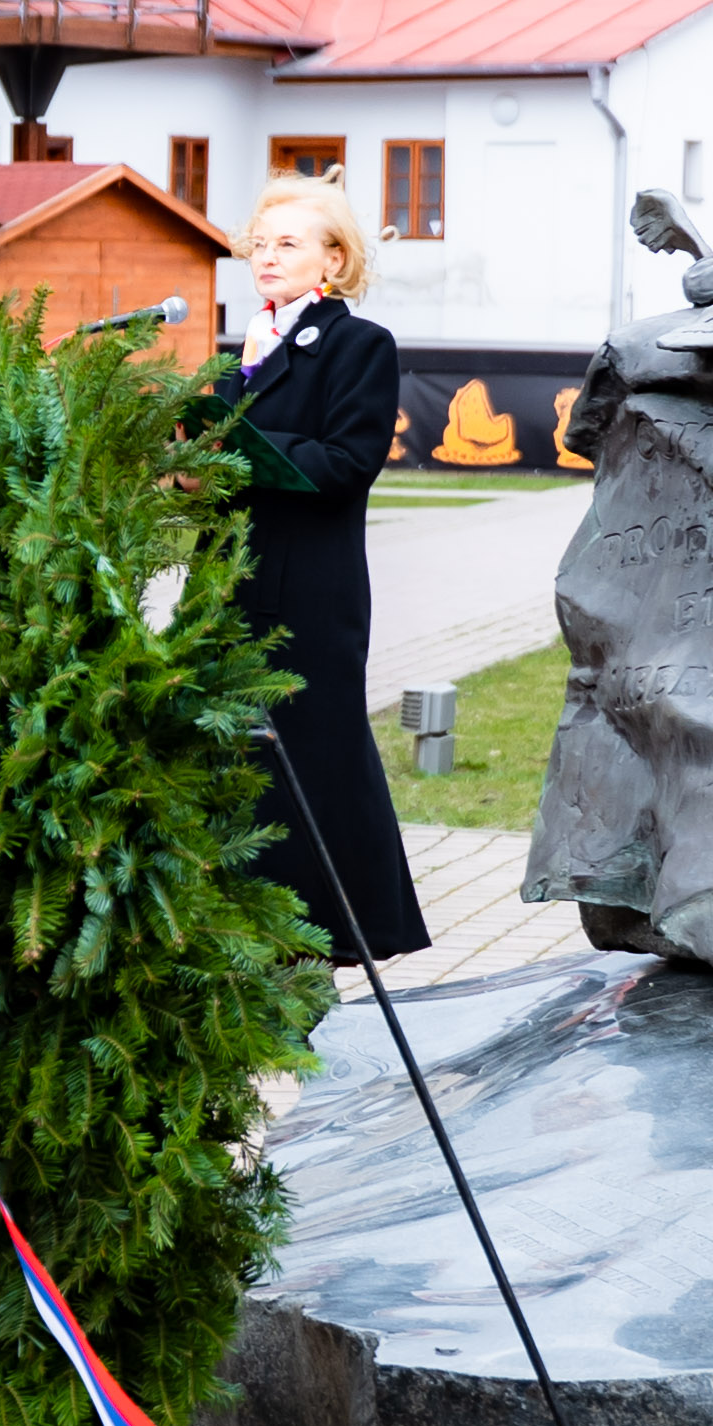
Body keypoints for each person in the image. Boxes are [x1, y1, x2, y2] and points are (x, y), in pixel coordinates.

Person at [199, 183, 427, 963]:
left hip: (311, 590)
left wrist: (240, 457)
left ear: (334, 259)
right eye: (260, 243)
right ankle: (252, 920)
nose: (267, 256)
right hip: (233, 583)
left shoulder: (360, 345)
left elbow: (347, 463)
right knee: (245, 756)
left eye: (288, 244)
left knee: (317, 750)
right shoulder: (250, 346)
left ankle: (344, 930)